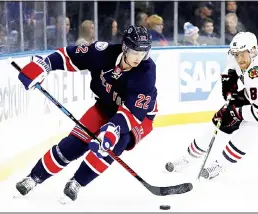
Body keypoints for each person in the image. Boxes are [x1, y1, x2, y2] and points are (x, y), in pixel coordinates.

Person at [15, 25, 158, 202]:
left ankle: (77, 182)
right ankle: (33, 178)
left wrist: (113, 129)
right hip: (105, 106)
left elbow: (133, 113)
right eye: (136, 52)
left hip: (137, 118)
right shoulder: (103, 53)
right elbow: (69, 55)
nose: (139, 58)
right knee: (73, 144)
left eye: (144, 53)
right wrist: (45, 65)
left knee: (113, 144)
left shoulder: (146, 72)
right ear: (125, 48)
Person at [165, 32, 258, 180]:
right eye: (236, 54)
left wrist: (236, 112)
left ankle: (221, 164)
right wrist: (229, 82)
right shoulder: (237, 54)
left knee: (252, 127)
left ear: (252, 51)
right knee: (220, 122)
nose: (239, 59)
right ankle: (187, 158)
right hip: (252, 95)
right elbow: (231, 68)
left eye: (242, 54)